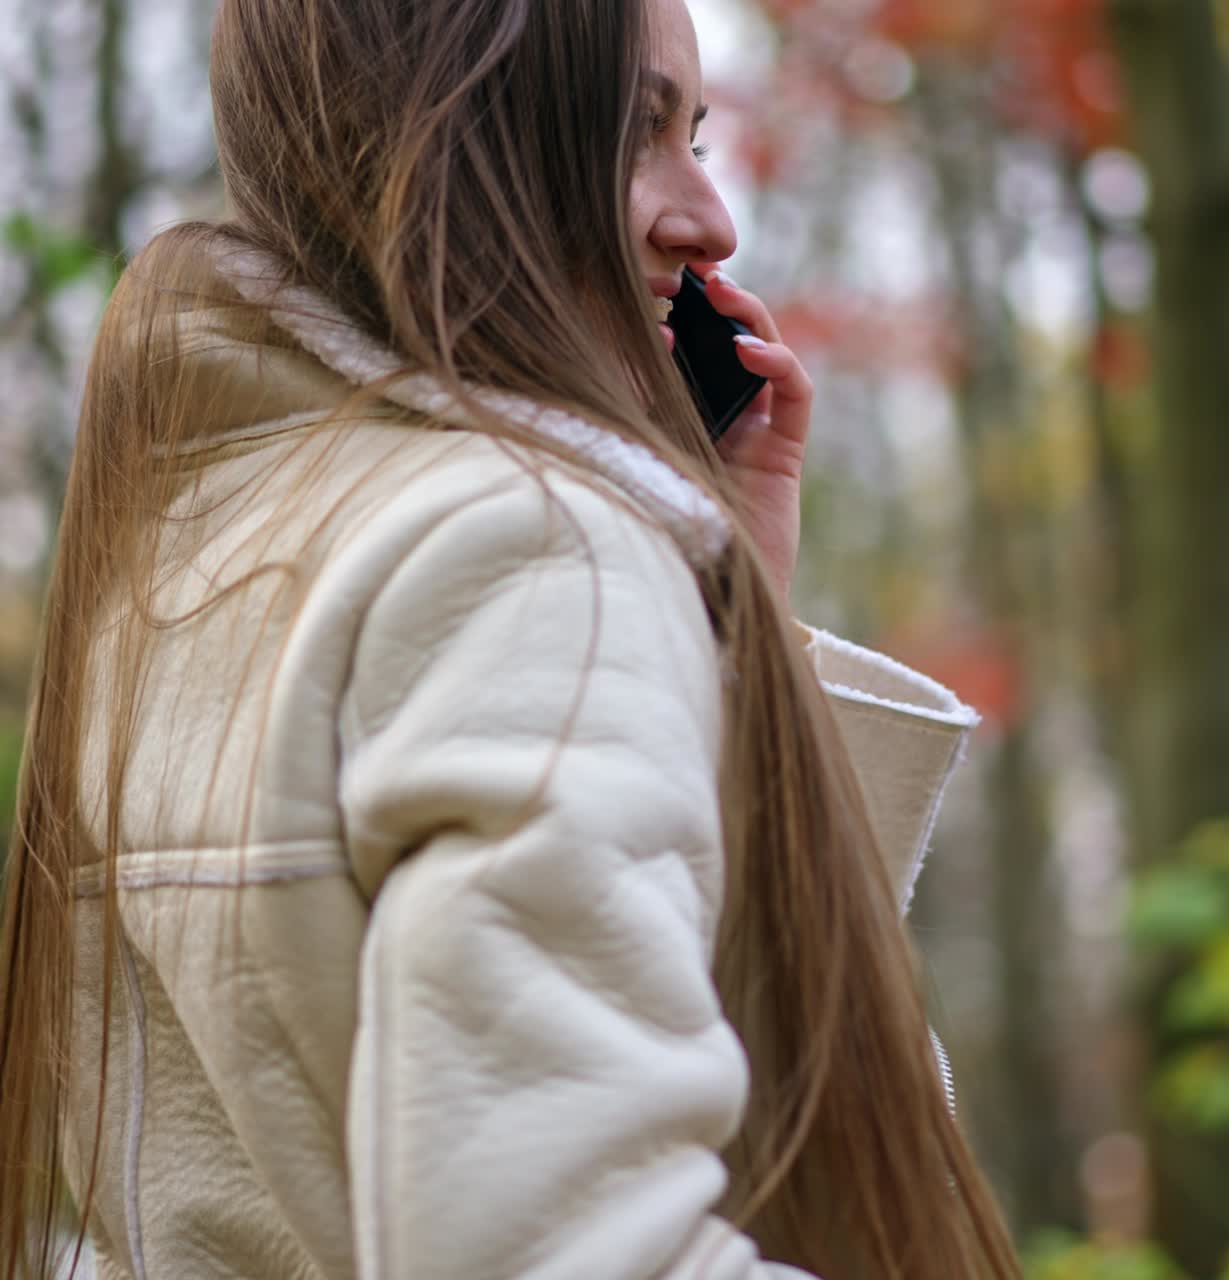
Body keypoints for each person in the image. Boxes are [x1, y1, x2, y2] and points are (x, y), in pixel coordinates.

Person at [0, 0, 1022, 1276]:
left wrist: (730, 624)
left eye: (694, 135)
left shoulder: (187, 567)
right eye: (632, 131)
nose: (710, 222)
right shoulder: (528, 555)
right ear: (447, 144)